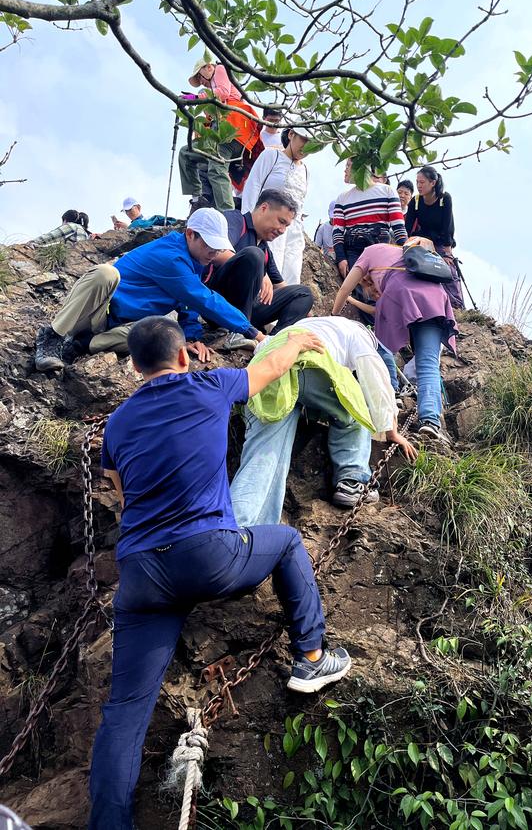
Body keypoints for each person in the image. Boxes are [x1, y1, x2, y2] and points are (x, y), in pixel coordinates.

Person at [88, 316, 351, 830]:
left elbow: (121, 493)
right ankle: (312, 657)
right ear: (184, 354)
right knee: (286, 540)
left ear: (135, 366)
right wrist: (297, 339)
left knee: (124, 712)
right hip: (207, 555)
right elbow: (269, 367)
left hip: (141, 572)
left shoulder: (117, 424)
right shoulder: (208, 384)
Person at [230, 315, 417, 525]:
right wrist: (390, 430)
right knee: (355, 406)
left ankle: (238, 527)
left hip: (262, 368)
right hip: (305, 358)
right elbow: (375, 379)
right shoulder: (358, 333)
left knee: (263, 458)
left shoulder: (307, 325)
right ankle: (353, 480)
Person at [33, 208, 266, 371]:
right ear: (190, 234)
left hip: (119, 326)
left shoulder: (196, 262)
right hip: (96, 312)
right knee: (106, 273)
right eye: (209, 245)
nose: (214, 253)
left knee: (166, 335)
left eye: (218, 247)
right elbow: (203, 298)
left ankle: (82, 345)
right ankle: (53, 335)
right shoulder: (170, 257)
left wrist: (192, 336)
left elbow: (187, 304)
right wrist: (252, 332)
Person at [332, 238, 458, 443]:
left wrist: (334, 315)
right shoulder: (406, 254)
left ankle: (391, 395)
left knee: (379, 348)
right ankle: (430, 421)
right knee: (427, 364)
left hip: (401, 294)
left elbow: (345, 288)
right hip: (436, 298)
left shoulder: (370, 251)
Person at [211, 189, 314, 349]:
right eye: (281, 221)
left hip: (249, 310)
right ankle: (235, 332)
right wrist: (261, 273)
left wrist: (309, 316)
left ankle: (272, 342)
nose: (282, 230)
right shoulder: (236, 220)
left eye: (286, 226)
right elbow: (216, 253)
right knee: (253, 255)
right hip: (219, 303)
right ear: (264, 208)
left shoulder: (265, 249)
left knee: (303, 293)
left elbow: (282, 287)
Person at [178, 56, 261, 211]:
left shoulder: (220, 69)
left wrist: (196, 97)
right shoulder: (211, 93)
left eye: (199, 76)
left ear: (208, 67)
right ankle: (198, 198)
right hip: (221, 132)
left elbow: (223, 92)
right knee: (186, 153)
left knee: (217, 167)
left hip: (232, 129)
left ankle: (228, 214)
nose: (201, 81)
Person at [240, 126, 311, 284]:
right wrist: (249, 227)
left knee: (292, 274)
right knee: (267, 270)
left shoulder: (305, 170)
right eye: (304, 140)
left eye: (312, 144)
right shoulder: (271, 155)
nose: (306, 147)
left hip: (293, 229)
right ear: (291, 134)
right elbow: (252, 188)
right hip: (268, 223)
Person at [332, 157, 407, 281]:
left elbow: (398, 228)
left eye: (348, 166)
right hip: (353, 252)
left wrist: (407, 255)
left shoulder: (387, 191)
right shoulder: (342, 198)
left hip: (380, 251)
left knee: (379, 290)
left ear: (361, 166)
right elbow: (337, 232)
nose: (345, 170)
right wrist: (341, 258)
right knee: (359, 291)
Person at [405, 166, 463, 308]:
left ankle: (456, 305)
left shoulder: (444, 199)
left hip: (440, 241)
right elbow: (407, 227)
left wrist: (447, 251)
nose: (419, 186)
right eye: (417, 182)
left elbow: (448, 226)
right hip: (422, 242)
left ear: (433, 183)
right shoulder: (416, 201)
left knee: (449, 271)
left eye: (422, 182)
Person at [112, 197, 178, 231]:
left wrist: (127, 228)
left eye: (130, 209)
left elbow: (173, 221)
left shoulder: (150, 218)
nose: (128, 213)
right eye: (126, 211)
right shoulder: (133, 225)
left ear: (138, 207)